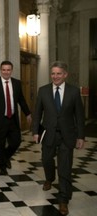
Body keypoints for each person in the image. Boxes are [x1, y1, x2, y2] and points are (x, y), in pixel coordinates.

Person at [32, 61, 85, 216]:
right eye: (53, 73)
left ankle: (63, 200)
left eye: (58, 73)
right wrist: (35, 131)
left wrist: (81, 136)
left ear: (65, 74)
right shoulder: (43, 91)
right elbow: (37, 113)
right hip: (48, 135)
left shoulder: (74, 92)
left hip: (67, 136)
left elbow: (79, 116)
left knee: (65, 168)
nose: (55, 76)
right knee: (46, 160)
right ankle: (49, 178)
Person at [0, 60, 32, 175]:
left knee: (16, 142)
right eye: (4, 70)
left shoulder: (17, 83)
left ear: (11, 71)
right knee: (0, 145)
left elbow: (21, 100)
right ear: (0, 70)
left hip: (12, 119)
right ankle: (2, 166)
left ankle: (5, 157)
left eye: (8, 70)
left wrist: (27, 113)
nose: (6, 72)